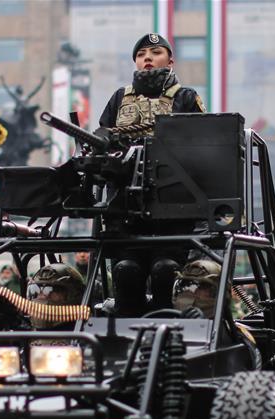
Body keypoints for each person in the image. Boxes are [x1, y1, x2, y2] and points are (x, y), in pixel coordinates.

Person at [99, 33, 205, 317]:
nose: (147, 57)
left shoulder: (186, 97)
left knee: (165, 270)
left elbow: (201, 147)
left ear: (170, 60)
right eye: (141, 53)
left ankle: (168, 330)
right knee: (126, 271)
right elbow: (102, 142)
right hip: (125, 206)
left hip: (173, 203)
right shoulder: (119, 98)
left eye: (155, 52)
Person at [27, 263, 85, 331]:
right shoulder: (25, 332)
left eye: (52, 290)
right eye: (36, 290)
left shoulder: (85, 333)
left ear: (74, 295)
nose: (41, 297)